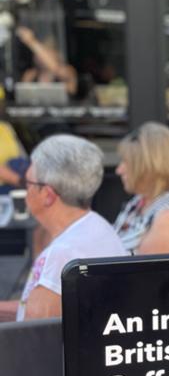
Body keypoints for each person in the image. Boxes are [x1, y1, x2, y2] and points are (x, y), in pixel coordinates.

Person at [0, 135, 127, 322]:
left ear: (48, 196)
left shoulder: (62, 255)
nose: (25, 191)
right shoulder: (97, 225)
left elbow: (31, 334)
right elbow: (33, 311)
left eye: (28, 184)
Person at [114, 122, 169, 254]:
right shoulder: (143, 199)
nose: (119, 170)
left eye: (127, 163)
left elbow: (143, 273)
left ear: (148, 169)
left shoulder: (167, 220)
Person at [16, 25, 78, 97]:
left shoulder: (67, 71)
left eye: (46, 52)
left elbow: (55, 68)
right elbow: (23, 98)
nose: (40, 56)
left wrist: (31, 42)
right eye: (37, 53)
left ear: (56, 54)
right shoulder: (31, 74)